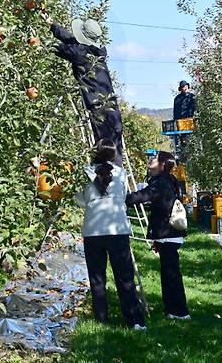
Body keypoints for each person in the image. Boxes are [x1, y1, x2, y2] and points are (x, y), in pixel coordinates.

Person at [75, 139, 146, 330]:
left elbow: (80, 201)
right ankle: (134, 320)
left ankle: (101, 319)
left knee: (97, 278)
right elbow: (123, 197)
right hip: (117, 229)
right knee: (124, 277)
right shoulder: (121, 173)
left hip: (93, 231)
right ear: (113, 154)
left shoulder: (85, 173)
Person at [43, 13, 124, 165]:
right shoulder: (96, 53)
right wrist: (53, 25)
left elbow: (60, 47)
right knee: (115, 153)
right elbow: (72, 41)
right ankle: (116, 185)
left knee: (104, 154)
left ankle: (104, 185)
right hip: (113, 111)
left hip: (100, 112)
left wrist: (40, 38)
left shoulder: (80, 54)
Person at [126, 151, 190, 320]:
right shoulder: (167, 181)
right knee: (169, 273)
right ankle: (172, 309)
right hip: (169, 234)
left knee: (171, 274)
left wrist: (123, 198)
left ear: (162, 165)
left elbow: (144, 196)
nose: (150, 160)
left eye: (154, 159)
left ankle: (180, 312)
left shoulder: (161, 182)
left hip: (167, 233)